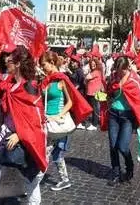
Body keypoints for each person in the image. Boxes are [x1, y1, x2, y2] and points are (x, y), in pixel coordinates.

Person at [0, 45, 47, 205]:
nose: (6, 61)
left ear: (18, 64)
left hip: (25, 142)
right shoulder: (11, 85)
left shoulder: (29, 87)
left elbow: (37, 118)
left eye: (10, 60)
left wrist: (20, 134)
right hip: (5, 137)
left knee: (31, 180)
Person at [40, 51, 92, 191]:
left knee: (48, 153)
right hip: (48, 122)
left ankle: (33, 182)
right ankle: (63, 180)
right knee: (48, 153)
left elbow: (70, 102)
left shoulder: (62, 79)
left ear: (51, 63)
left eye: (43, 65)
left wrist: (59, 115)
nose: (42, 67)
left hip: (59, 123)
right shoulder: (47, 80)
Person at [106, 56, 140, 186]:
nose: (119, 73)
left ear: (126, 68)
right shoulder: (113, 76)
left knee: (122, 146)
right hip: (113, 114)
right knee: (113, 146)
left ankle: (130, 168)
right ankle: (116, 172)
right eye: (117, 70)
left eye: (121, 71)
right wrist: (107, 96)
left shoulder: (134, 79)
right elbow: (109, 90)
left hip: (127, 116)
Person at [85, 58, 103, 131]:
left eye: (93, 64)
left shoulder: (96, 72)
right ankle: (94, 122)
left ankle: (94, 124)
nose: (92, 65)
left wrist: (87, 74)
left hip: (93, 93)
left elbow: (87, 77)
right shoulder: (94, 71)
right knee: (94, 108)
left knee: (95, 109)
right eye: (91, 64)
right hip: (90, 93)